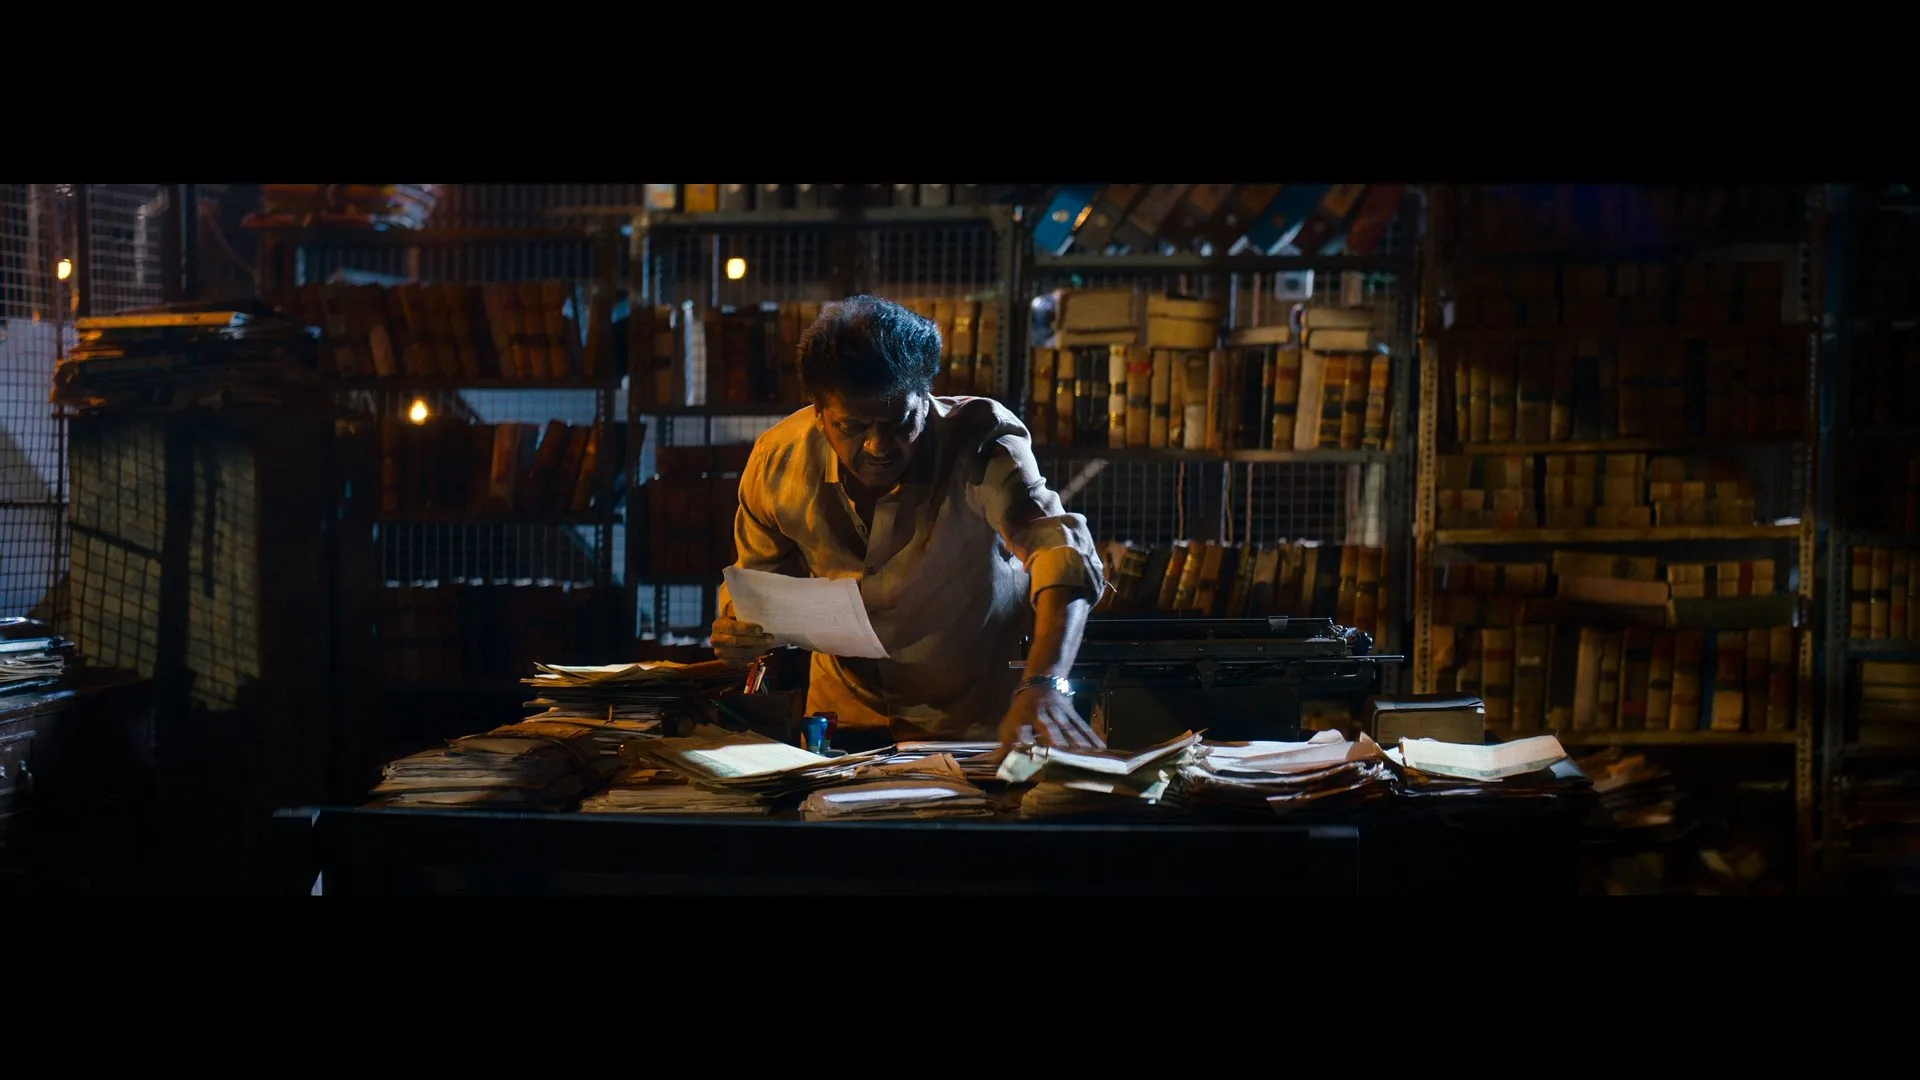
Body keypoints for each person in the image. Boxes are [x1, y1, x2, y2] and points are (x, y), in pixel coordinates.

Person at [710, 294, 1107, 753]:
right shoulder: (777, 461)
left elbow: (1061, 554)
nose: (878, 447)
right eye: (854, 427)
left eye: (900, 422)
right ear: (819, 414)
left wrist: (1045, 682)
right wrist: (739, 631)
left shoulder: (980, 439)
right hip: (842, 723)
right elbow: (759, 590)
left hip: (979, 728)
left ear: (926, 396)